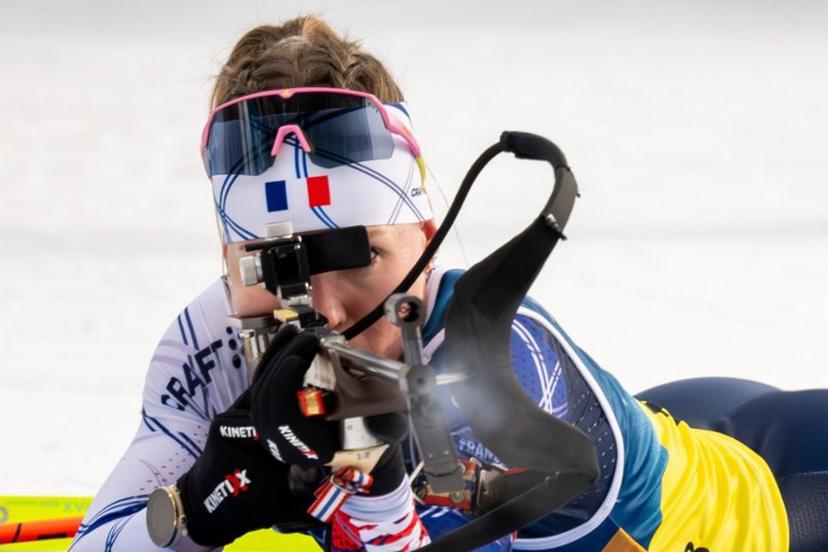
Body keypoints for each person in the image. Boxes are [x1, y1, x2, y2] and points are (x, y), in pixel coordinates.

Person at [70, 15, 828, 552]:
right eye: (273, 270)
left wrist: (381, 491)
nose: (321, 312)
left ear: (425, 243)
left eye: (359, 259)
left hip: (774, 508)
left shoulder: (493, 385)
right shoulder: (208, 345)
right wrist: (201, 512)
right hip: (685, 417)